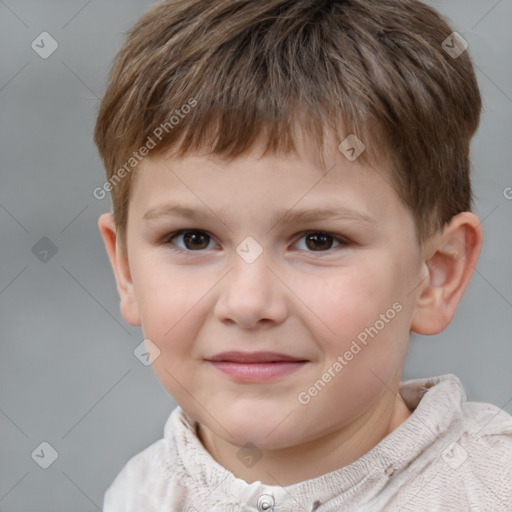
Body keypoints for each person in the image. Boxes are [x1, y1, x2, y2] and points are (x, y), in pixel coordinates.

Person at [94, 0, 512, 510]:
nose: (248, 303)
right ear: (127, 271)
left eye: (319, 240)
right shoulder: (139, 495)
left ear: (435, 275)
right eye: (194, 239)